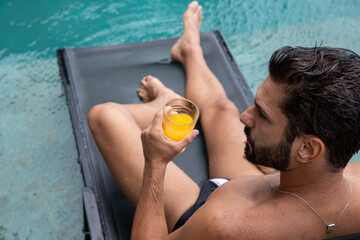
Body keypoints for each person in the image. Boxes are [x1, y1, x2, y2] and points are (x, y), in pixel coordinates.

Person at [87, 1, 360, 239]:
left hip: (209, 214)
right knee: (219, 109)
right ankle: (189, 50)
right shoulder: (345, 174)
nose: (246, 116)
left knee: (105, 116)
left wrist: (155, 165)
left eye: (262, 115)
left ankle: (165, 103)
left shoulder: (224, 224)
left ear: (308, 149)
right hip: (285, 187)